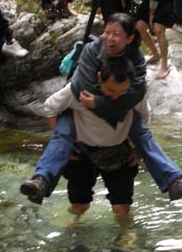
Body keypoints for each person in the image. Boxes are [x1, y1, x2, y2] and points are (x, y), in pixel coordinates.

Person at [20, 13, 182, 204]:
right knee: (63, 136)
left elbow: (137, 92)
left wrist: (101, 104)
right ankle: (41, 181)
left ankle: (174, 181)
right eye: (107, 32)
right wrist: (114, 106)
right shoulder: (92, 50)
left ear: (129, 39)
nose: (110, 38)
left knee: (142, 134)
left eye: (117, 34)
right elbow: (83, 87)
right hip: (83, 107)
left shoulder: (135, 57)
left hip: (117, 106)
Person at [44, 57, 144, 217]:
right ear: (98, 78)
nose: (116, 97)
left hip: (118, 151)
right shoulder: (78, 90)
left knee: (122, 207)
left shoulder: (135, 95)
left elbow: (145, 120)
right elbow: (50, 108)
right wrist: (64, 146)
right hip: (81, 153)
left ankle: (126, 235)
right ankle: (74, 225)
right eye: (110, 90)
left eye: (122, 92)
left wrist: (139, 150)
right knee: (79, 205)